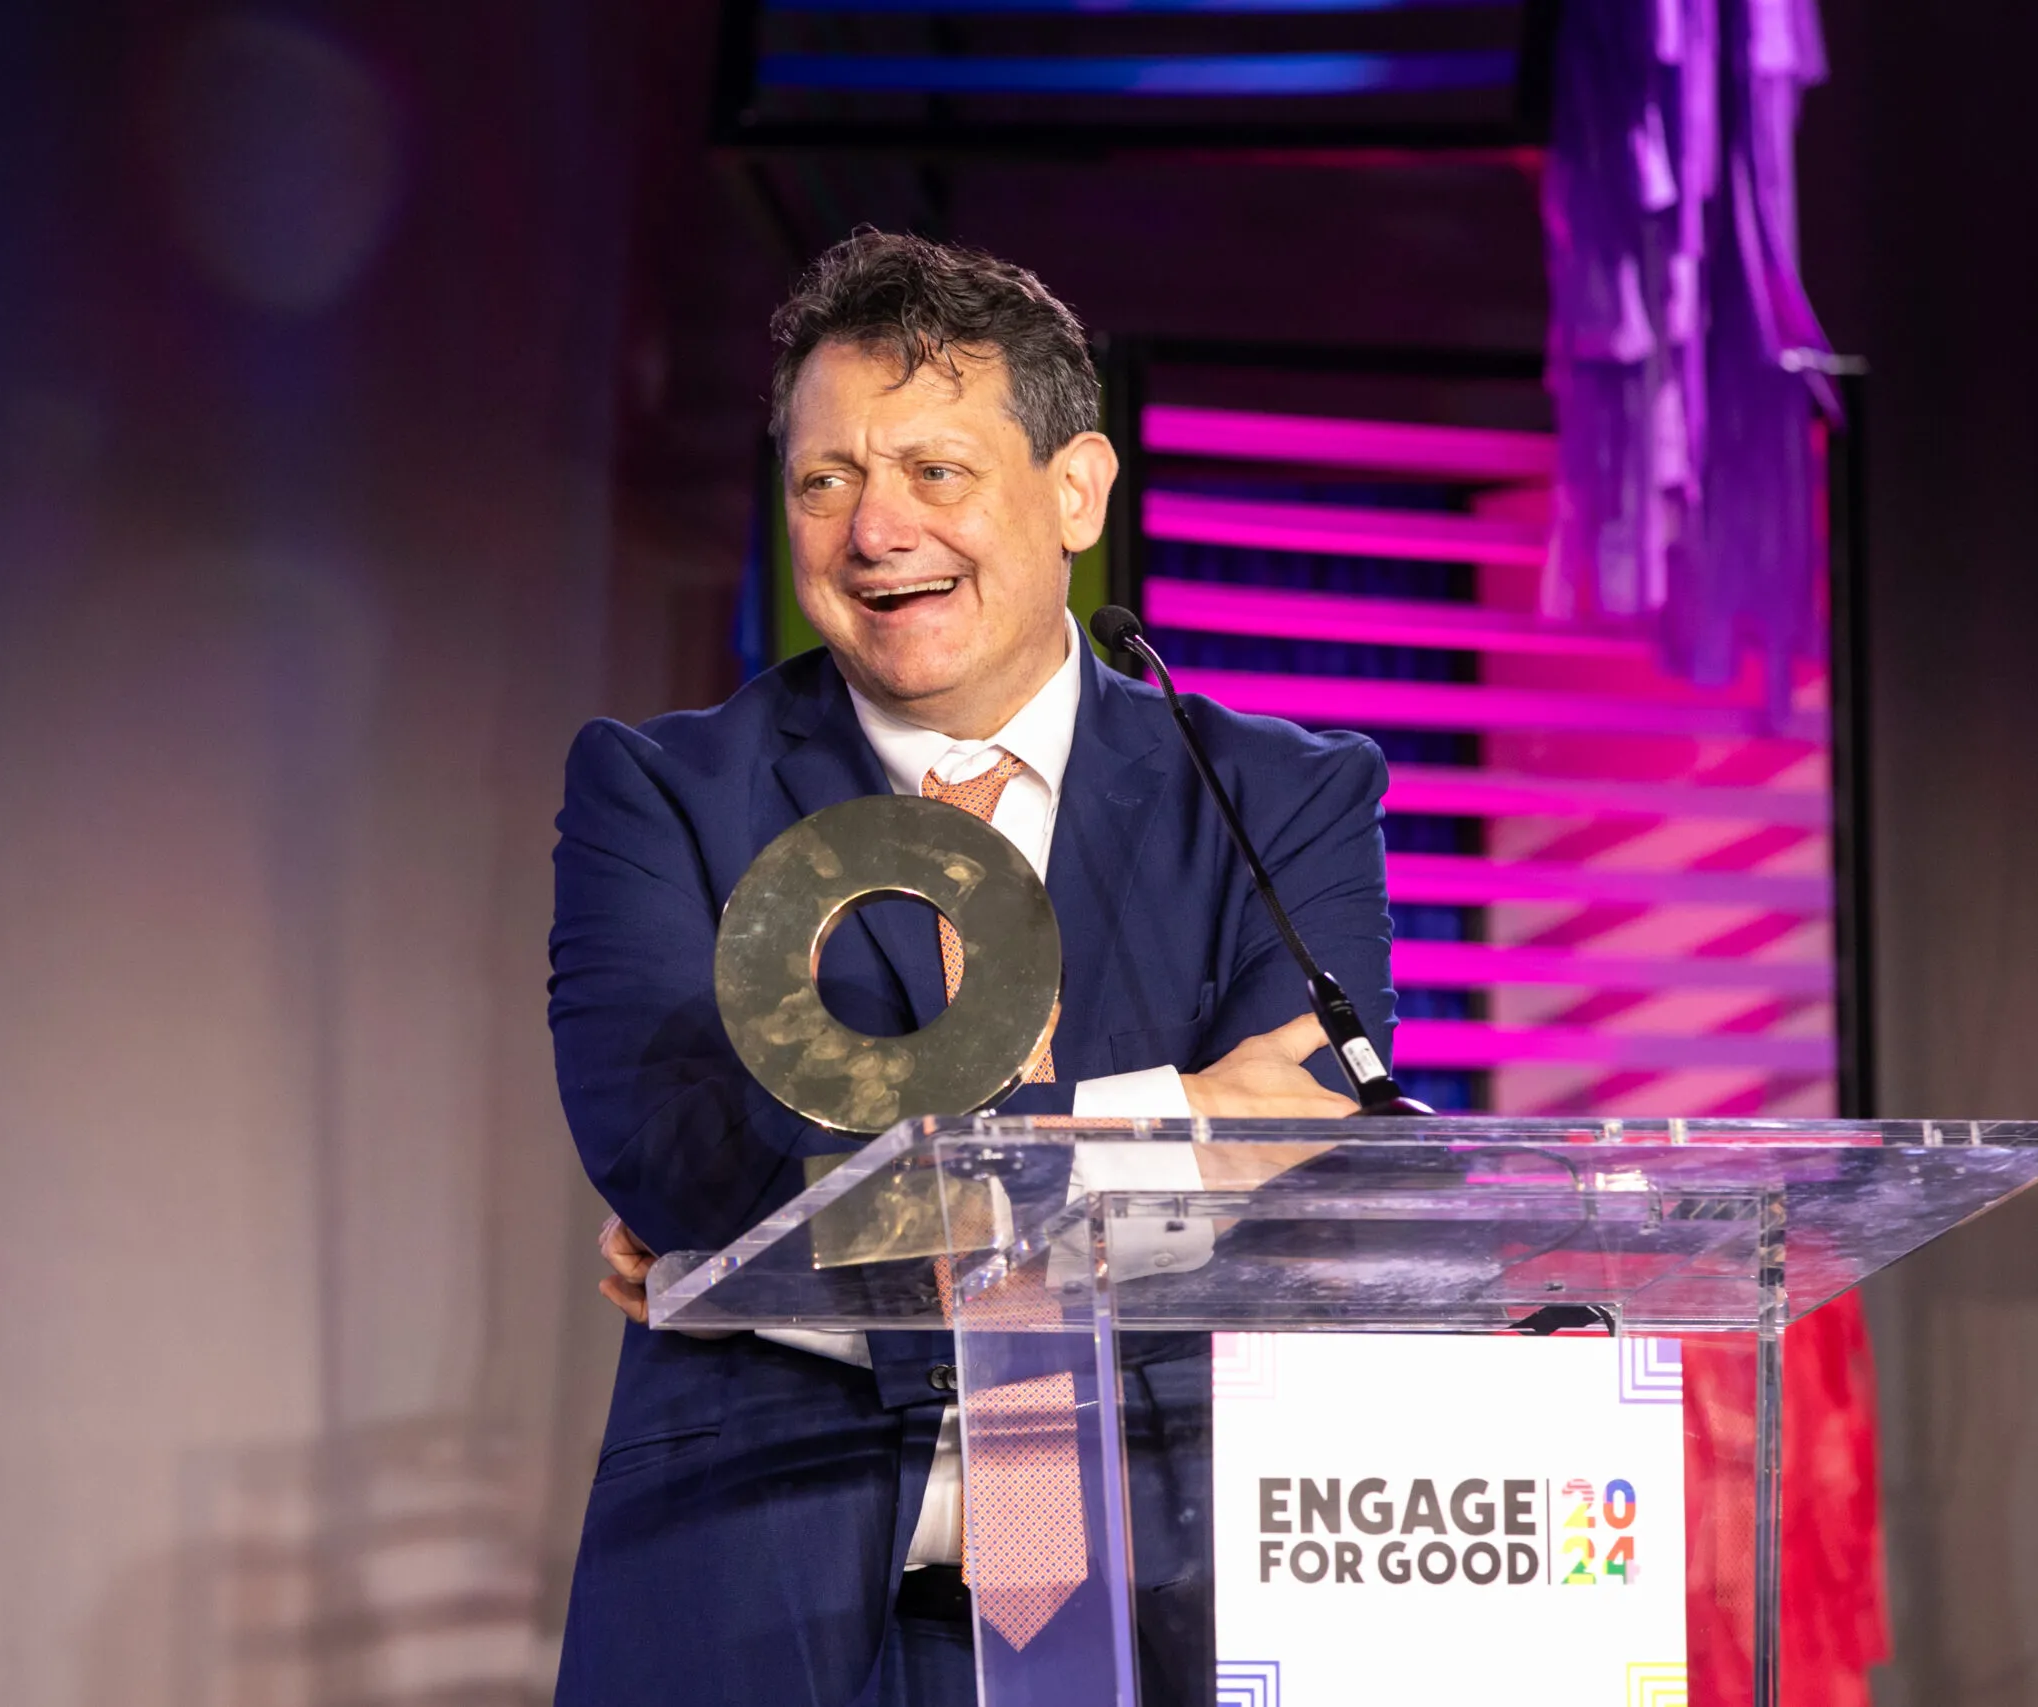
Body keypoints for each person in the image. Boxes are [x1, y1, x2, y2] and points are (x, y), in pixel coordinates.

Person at [548, 229, 1400, 1707]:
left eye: (935, 472)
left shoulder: (1279, 800)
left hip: (1167, 1583)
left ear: (1077, 491)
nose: (876, 529)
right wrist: (1172, 1116)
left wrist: (802, 1239)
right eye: (825, 481)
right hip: (761, 1588)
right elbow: (687, 1164)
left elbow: (1302, 1164)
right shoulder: (663, 794)